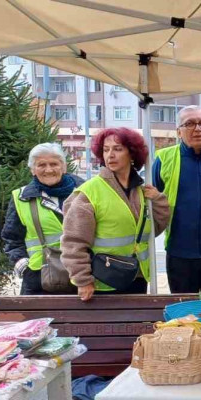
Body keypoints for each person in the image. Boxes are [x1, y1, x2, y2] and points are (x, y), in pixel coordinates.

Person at [62, 128, 171, 299]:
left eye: (118, 149)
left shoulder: (141, 191)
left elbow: (152, 231)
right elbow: (73, 242)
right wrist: (82, 280)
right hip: (102, 281)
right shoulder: (89, 192)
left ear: (132, 154)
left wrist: (158, 200)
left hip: (136, 276)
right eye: (106, 149)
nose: (110, 155)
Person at [152, 105, 201, 300]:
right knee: (183, 313)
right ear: (178, 131)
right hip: (179, 253)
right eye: (189, 124)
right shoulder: (164, 159)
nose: (197, 129)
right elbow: (152, 201)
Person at [2, 143, 84, 295]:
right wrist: (24, 266)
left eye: (54, 164)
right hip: (38, 279)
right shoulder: (21, 198)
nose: (49, 170)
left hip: (83, 275)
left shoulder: (85, 192)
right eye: (41, 165)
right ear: (33, 169)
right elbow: (11, 238)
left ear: (64, 167)